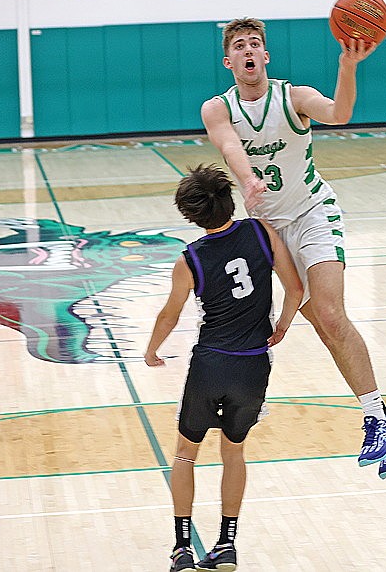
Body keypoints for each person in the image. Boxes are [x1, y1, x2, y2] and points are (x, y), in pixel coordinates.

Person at [201, 17, 386, 477]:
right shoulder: (217, 108)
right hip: (269, 227)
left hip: (314, 212)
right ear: (229, 60)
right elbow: (230, 146)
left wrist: (348, 66)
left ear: (266, 55)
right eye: (240, 45)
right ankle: (257, 399)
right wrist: (247, 177)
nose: (249, 50)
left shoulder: (292, 96)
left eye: (255, 43)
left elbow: (339, 112)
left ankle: (379, 417)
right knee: (315, 320)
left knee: (332, 314)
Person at [144, 165, 304, 572]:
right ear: (228, 199)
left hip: (210, 364)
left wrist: (152, 350)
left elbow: (169, 314)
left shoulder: (190, 259)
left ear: (190, 214)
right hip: (253, 366)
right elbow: (296, 288)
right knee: (234, 452)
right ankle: (226, 544)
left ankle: (182, 548)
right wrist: (282, 324)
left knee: (185, 454)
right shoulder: (260, 232)